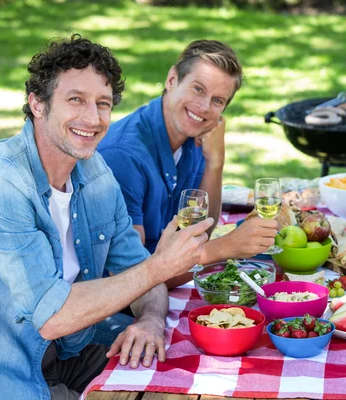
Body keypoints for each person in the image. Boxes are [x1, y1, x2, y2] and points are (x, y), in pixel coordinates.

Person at [0, 34, 276, 400]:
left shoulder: (95, 174)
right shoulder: (8, 184)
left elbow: (142, 272)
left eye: (103, 103)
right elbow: (52, 317)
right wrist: (159, 267)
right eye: (75, 100)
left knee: (198, 376)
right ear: (37, 103)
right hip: (16, 370)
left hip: (74, 349)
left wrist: (148, 320)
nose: (93, 118)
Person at [98, 40, 267, 288]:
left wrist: (215, 161)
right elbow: (128, 278)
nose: (204, 107)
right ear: (172, 79)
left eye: (218, 100)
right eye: (198, 89)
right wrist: (225, 248)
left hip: (162, 287)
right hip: (116, 309)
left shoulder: (194, 136)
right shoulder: (124, 156)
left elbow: (198, 234)